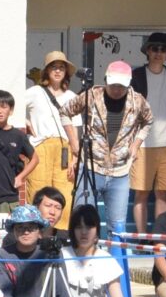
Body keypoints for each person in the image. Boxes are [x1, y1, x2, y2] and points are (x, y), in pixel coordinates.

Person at [60, 61, 152, 233]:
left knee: (117, 226)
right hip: (90, 166)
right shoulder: (92, 95)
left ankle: (115, 258)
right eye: (113, 85)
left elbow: (148, 121)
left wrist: (136, 143)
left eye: (121, 86)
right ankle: (84, 258)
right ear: (106, 81)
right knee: (83, 220)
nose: (117, 90)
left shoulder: (138, 101)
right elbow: (65, 112)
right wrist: (73, 140)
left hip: (120, 171)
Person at [60, 205, 147, 297]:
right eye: (78, 227)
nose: (83, 232)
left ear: (97, 230)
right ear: (72, 230)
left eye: (89, 227)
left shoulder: (106, 258)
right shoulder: (62, 255)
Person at [130, 33, 166, 234]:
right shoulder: (136, 76)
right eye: (154, 48)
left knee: (163, 194)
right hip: (142, 143)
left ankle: (159, 238)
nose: (158, 53)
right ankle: (141, 239)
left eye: (163, 49)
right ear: (147, 51)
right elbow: (127, 109)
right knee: (141, 194)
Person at [23, 51, 77, 231]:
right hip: (40, 147)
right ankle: (35, 231)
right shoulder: (35, 92)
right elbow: (13, 107)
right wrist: (27, 123)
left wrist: (76, 157)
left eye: (61, 67)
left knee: (64, 193)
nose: (58, 71)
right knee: (38, 191)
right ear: (46, 71)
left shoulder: (71, 96)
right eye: (54, 67)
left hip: (65, 147)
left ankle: (60, 236)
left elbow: (75, 128)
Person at [0, 186, 68, 251]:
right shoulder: (16, 237)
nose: (53, 212)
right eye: (48, 205)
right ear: (36, 208)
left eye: (58, 208)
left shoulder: (66, 237)